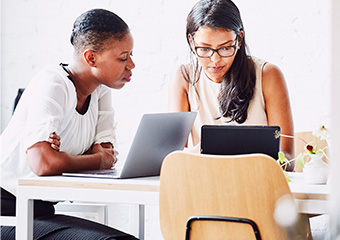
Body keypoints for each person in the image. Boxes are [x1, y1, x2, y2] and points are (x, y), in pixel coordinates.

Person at [1, 8, 137, 239]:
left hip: (40, 211)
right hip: (7, 212)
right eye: (123, 57)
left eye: (131, 55)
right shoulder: (52, 83)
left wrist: (69, 158)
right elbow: (43, 164)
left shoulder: (100, 89)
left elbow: (106, 153)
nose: (131, 65)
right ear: (90, 57)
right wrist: (94, 159)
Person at [168, 0, 295, 171]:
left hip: (257, 182)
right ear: (191, 42)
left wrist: (261, 164)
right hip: (204, 182)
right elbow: (173, 156)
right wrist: (204, 150)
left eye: (226, 48)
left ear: (239, 39)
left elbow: (287, 157)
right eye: (204, 49)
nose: (215, 60)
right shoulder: (184, 78)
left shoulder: (267, 75)